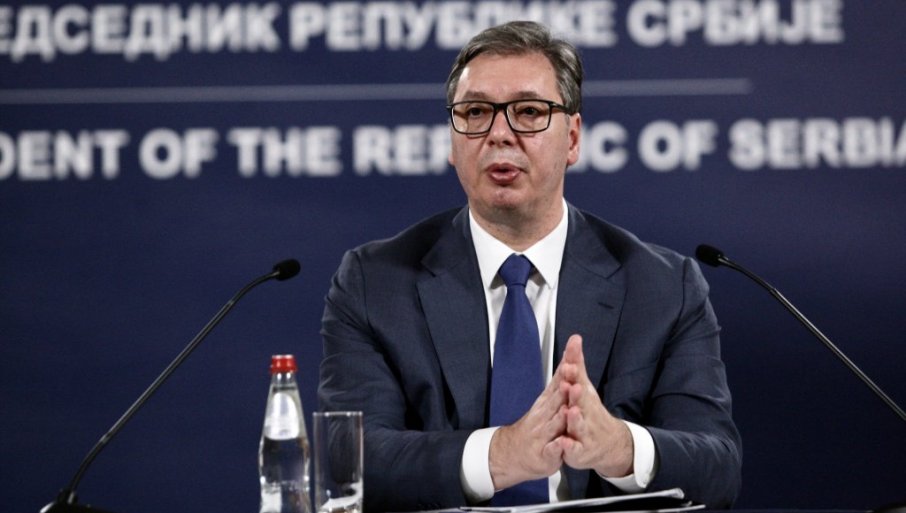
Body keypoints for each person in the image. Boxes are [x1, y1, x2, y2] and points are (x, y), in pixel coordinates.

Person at [319, 20, 741, 512]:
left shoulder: (664, 287)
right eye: (475, 112)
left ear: (573, 138)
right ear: (453, 141)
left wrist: (619, 448)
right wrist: (500, 456)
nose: (499, 134)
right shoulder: (375, 282)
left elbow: (717, 469)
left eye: (529, 112)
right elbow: (351, 463)